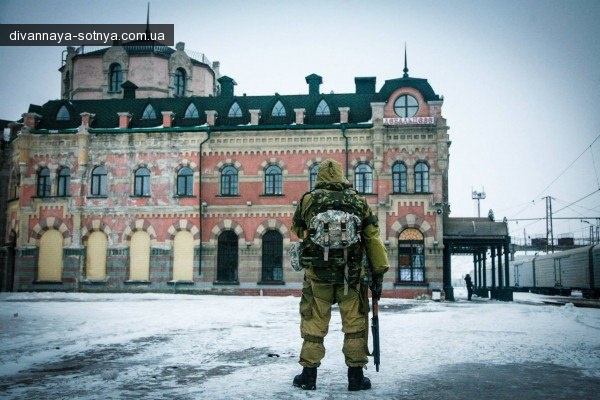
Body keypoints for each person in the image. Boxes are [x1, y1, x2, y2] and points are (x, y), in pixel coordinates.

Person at [290, 159, 389, 391]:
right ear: (342, 177)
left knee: (314, 323)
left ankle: (309, 376)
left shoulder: (309, 199)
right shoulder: (358, 200)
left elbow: (297, 229)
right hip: (352, 277)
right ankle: (355, 377)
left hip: (318, 276)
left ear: (320, 177)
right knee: (355, 324)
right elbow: (372, 238)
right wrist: (378, 273)